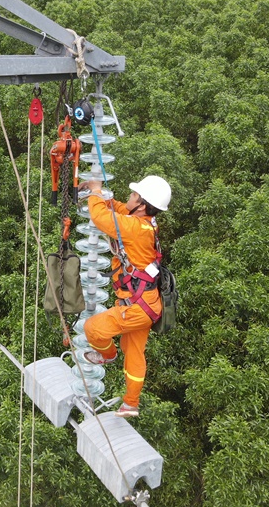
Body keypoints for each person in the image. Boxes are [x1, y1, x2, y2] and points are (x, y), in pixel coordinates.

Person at [78, 175, 171, 418]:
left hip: (137, 307)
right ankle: (131, 403)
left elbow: (102, 219)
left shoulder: (133, 228)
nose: (128, 198)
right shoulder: (144, 223)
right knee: (135, 353)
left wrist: (96, 192)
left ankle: (107, 355)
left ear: (142, 204)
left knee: (93, 329)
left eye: (133, 196)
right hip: (147, 305)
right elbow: (119, 210)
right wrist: (103, 199)